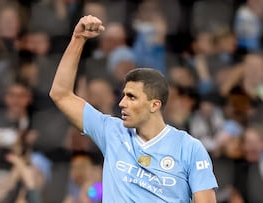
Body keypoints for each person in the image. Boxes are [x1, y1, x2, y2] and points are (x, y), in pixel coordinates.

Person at [49, 15, 218, 202]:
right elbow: (60, 94)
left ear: (155, 105)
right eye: (123, 95)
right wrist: (78, 39)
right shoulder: (111, 131)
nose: (122, 103)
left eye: (131, 97)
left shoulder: (189, 148)